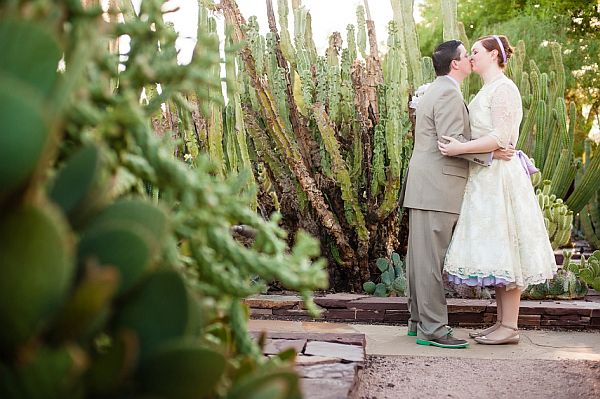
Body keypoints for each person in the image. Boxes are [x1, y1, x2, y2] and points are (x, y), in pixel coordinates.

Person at [439, 35, 557, 345]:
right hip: (485, 177)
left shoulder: (504, 89)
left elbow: (501, 138)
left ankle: (511, 326)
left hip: (501, 180)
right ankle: (503, 324)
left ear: (494, 55)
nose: (471, 56)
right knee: (497, 252)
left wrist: (460, 149)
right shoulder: (485, 91)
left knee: (509, 248)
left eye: (476, 51)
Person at [402, 40, 514, 349]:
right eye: (467, 56)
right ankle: (434, 329)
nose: (470, 60)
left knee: (420, 260)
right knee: (428, 263)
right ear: (456, 64)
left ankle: (417, 323)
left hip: (428, 187)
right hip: (438, 186)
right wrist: (491, 156)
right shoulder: (449, 94)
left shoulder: (438, 89)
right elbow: (450, 145)